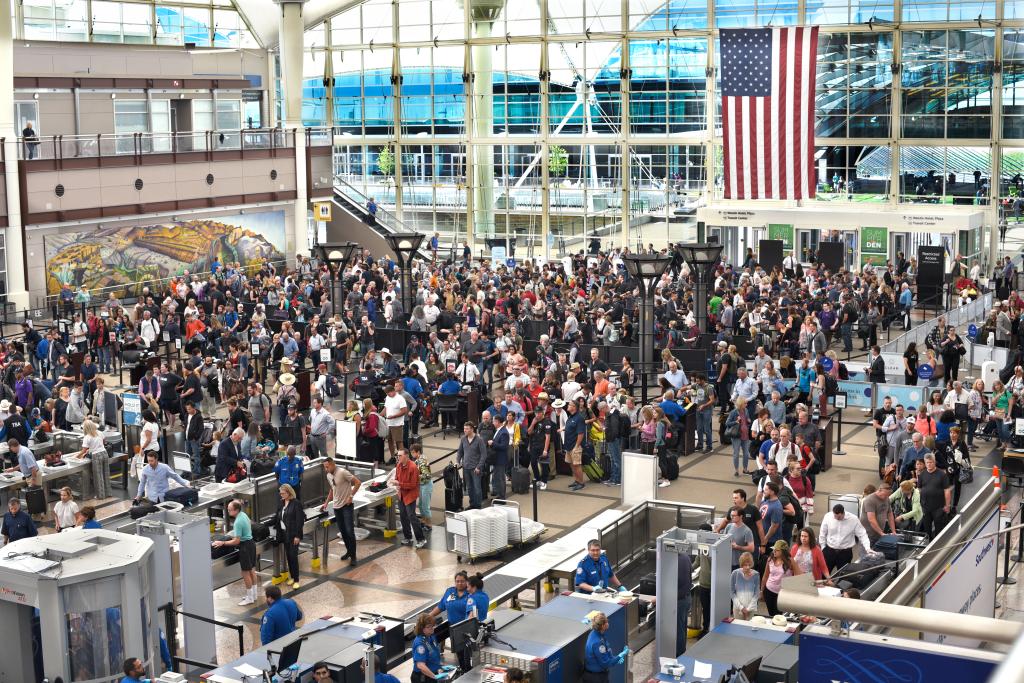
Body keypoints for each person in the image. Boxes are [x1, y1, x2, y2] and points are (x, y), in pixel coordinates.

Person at [212, 499, 259, 605]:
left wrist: (222, 543)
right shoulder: (244, 515)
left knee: (245, 573)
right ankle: (254, 595)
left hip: (245, 547)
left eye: (230, 510)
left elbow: (236, 541)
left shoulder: (238, 522)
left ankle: (250, 598)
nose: (228, 511)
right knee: (252, 570)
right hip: (251, 543)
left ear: (236, 510)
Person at [321, 457, 361, 566]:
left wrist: (351, 496)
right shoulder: (329, 475)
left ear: (333, 464)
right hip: (336, 506)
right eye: (325, 467)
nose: (326, 469)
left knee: (349, 531)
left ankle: (353, 556)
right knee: (343, 532)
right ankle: (349, 551)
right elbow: (332, 489)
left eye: (327, 467)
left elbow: (357, 482)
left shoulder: (343, 472)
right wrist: (326, 503)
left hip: (346, 505)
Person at [818, 503, 873, 571]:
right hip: (829, 551)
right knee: (824, 573)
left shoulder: (853, 519)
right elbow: (823, 532)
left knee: (842, 575)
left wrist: (867, 548)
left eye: (839, 517)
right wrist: (823, 547)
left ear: (843, 513)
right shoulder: (828, 516)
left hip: (845, 553)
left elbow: (862, 534)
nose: (837, 519)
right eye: (835, 516)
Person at [394, 447, 427, 548]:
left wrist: (399, 484)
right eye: (397, 455)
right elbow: (396, 477)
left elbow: (413, 485)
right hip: (401, 495)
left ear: (406, 456)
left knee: (412, 516)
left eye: (400, 455)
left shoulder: (413, 467)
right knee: (403, 516)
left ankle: (421, 539)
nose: (398, 457)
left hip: (410, 496)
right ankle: (408, 537)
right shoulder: (399, 465)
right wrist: (396, 483)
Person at [273, 483, 304, 589]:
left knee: (293, 556)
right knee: (288, 557)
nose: (281, 495)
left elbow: (300, 521)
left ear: (289, 492)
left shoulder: (296, 504)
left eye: (283, 493)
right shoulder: (281, 503)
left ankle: (296, 580)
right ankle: (292, 576)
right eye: (280, 493)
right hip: (284, 534)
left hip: (293, 535)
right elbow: (277, 516)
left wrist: (297, 536)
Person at [583, 611, 628, 682]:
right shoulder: (597, 643)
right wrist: (620, 655)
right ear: (603, 626)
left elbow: (607, 653)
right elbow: (606, 663)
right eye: (606, 622)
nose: (608, 623)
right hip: (596, 678)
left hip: (596, 675)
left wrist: (615, 659)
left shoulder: (596, 634)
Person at [761, 540, 801, 616]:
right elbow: (765, 575)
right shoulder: (770, 559)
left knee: (779, 616)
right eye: (774, 549)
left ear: (783, 551)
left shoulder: (790, 561)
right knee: (771, 615)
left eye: (777, 550)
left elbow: (798, 575)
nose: (774, 552)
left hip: (782, 594)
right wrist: (761, 591)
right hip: (769, 591)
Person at [918, 454, 953, 538]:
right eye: (927, 462)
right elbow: (919, 489)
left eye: (931, 462)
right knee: (927, 530)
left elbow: (947, 491)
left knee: (939, 529)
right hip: (926, 507)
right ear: (925, 463)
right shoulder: (922, 474)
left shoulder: (942, 475)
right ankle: (928, 544)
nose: (929, 464)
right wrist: (921, 503)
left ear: (934, 462)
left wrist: (947, 505)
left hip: (939, 507)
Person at [75, 419, 111, 499]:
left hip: (96, 456)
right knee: (106, 474)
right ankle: (108, 493)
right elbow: (104, 442)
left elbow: (84, 450)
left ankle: (100, 496)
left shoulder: (87, 437)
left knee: (98, 476)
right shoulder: (100, 433)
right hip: (105, 453)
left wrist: (76, 456)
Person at [456, 421, 488, 509]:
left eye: (467, 429)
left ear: (472, 429)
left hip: (475, 468)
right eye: (464, 428)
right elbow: (460, 451)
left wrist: (479, 467)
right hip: (466, 467)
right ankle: (472, 504)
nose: (465, 430)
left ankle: (478, 506)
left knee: (477, 488)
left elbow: (484, 455)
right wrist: (458, 461)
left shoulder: (479, 440)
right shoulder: (463, 439)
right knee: (469, 488)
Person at [860, 482, 897, 547]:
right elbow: (871, 519)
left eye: (888, 495)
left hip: (879, 534)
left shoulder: (886, 499)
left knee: (878, 555)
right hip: (868, 535)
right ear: (880, 490)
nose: (886, 497)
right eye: (885, 495)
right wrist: (881, 533)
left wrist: (893, 531)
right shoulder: (869, 500)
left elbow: (890, 515)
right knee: (867, 555)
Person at [411, 613, 445, 682]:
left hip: (432, 674)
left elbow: (434, 656)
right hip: (423, 678)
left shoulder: (430, 636)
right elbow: (420, 665)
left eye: (432, 626)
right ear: (421, 628)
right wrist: (435, 677)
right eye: (429, 627)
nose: (432, 628)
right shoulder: (420, 644)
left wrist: (440, 667)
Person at [730, 552, 760, 620]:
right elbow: (731, 592)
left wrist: (748, 609)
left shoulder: (756, 575)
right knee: (737, 629)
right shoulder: (735, 573)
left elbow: (756, 593)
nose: (747, 567)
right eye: (745, 565)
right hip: (738, 609)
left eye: (749, 565)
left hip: (751, 609)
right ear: (741, 564)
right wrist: (741, 608)